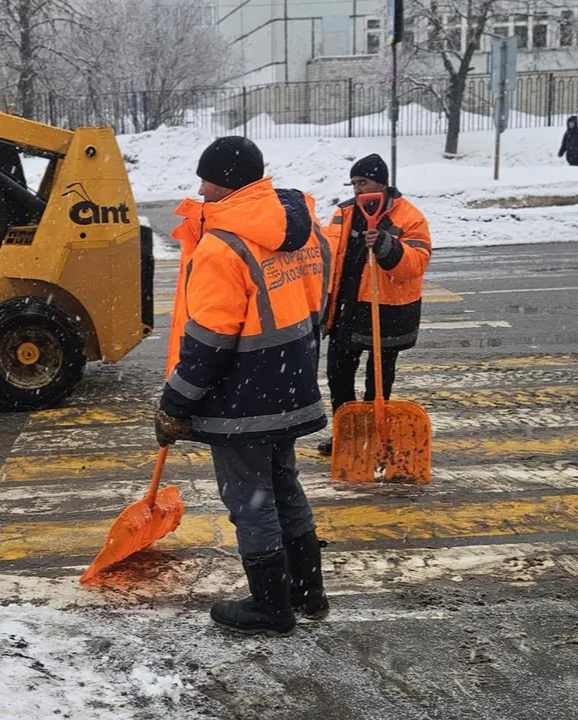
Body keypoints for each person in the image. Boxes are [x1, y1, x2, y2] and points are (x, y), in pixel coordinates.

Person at [155, 136, 331, 635]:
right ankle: (307, 592)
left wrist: (175, 403)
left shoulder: (222, 246)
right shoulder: (305, 229)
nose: (200, 190)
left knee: (250, 500)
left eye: (206, 180)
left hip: (243, 398)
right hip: (290, 384)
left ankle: (271, 607)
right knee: (283, 487)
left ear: (227, 183)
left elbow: (209, 342)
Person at [318, 154, 432, 457]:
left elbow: (416, 264)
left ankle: (374, 432)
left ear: (382, 184)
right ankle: (348, 433)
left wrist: (385, 245)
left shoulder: (409, 217)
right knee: (338, 375)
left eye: (363, 182)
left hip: (386, 310)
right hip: (347, 308)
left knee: (379, 380)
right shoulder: (344, 213)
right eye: (354, 183)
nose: (358, 189)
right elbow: (329, 254)